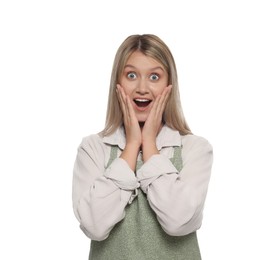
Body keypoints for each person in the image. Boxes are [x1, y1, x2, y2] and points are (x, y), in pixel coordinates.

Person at [72, 34, 213, 260]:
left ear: (169, 85)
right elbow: (94, 226)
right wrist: (131, 146)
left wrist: (149, 145)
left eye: (154, 76)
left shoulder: (194, 148)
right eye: (131, 75)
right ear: (117, 83)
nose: (142, 88)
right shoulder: (94, 148)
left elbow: (179, 221)